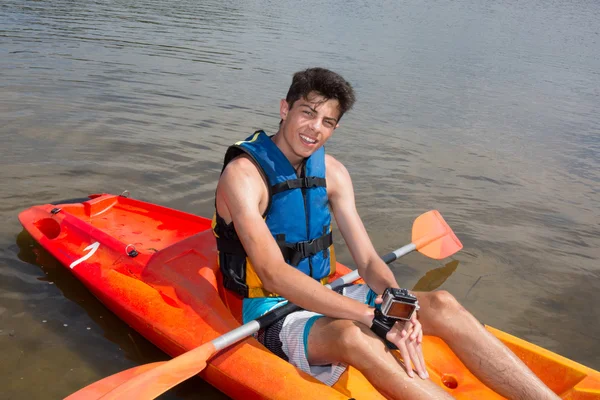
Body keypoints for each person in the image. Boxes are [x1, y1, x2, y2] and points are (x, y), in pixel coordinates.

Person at [212, 67, 558, 399]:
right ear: (285, 108)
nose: (315, 129)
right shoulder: (243, 175)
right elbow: (274, 275)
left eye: (328, 122)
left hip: (322, 291)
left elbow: (367, 260)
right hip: (271, 311)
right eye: (307, 113)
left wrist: (398, 306)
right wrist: (369, 318)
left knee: (442, 304)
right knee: (354, 336)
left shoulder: (333, 173)